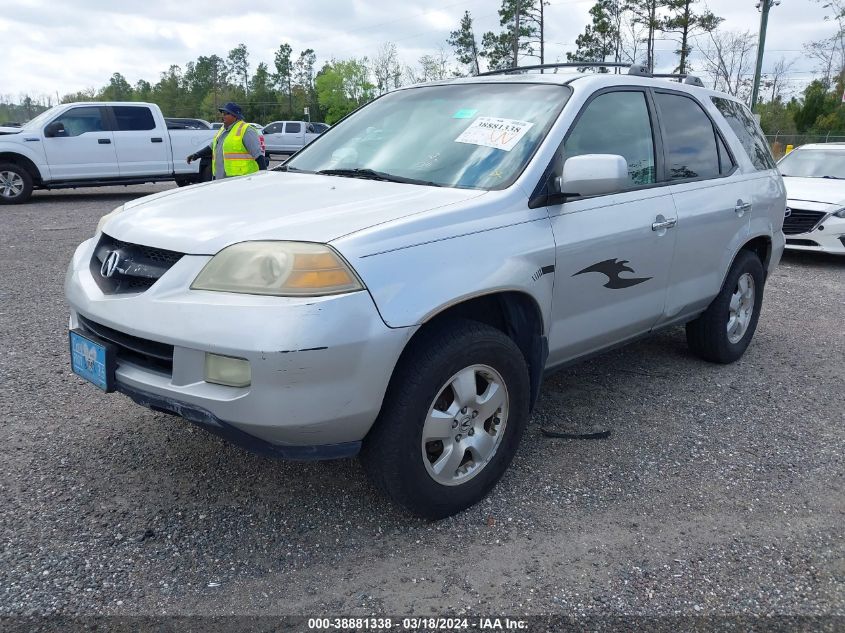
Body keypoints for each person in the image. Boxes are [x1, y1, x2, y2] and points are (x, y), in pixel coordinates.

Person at [186, 102, 266, 179]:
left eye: (226, 113)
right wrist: (197, 155)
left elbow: (258, 155)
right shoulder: (223, 129)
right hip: (221, 178)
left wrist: (264, 177)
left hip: (241, 180)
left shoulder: (246, 130)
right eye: (222, 113)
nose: (223, 116)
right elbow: (213, 146)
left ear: (235, 116)